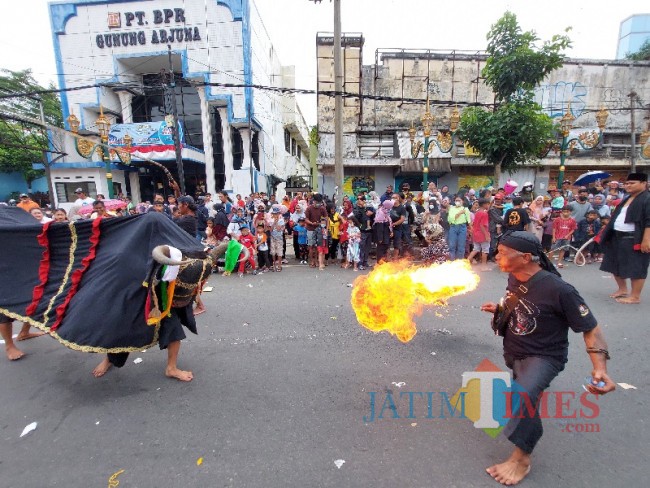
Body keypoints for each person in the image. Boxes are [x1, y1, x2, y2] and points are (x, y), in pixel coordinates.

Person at [480, 231, 615, 486]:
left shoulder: (560, 289)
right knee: (526, 388)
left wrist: (600, 369)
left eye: (502, 253)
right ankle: (532, 388)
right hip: (515, 351)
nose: (495, 257)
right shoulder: (515, 276)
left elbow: (591, 328)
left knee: (523, 394)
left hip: (544, 355)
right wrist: (499, 310)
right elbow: (522, 305)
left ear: (526, 257)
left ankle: (522, 458)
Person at [599, 172, 650, 304]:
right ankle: (622, 289)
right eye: (627, 183)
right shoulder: (627, 198)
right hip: (617, 235)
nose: (628, 185)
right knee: (613, 263)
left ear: (644, 183)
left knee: (636, 266)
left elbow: (649, 221)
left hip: (634, 237)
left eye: (632, 183)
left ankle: (635, 296)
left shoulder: (647, 198)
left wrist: (646, 239)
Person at [304, 194, 328, 268]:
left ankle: (318, 261)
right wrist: (311, 223)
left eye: (320, 202)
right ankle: (312, 261)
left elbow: (326, 218)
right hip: (310, 229)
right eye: (317, 202)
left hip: (320, 229)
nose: (318, 204)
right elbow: (306, 219)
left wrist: (325, 227)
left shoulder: (322, 208)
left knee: (319, 246)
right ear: (313, 201)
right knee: (311, 246)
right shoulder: (309, 208)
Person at [467, 198, 491, 269]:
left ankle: (467, 261)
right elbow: (482, 225)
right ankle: (484, 266)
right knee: (485, 250)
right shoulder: (484, 214)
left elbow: (474, 223)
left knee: (476, 249)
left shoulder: (477, 212)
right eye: (488, 204)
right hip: (482, 234)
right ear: (484, 205)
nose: (488, 205)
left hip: (476, 233)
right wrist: (487, 235)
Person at [447, 195, 472, 260]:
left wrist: (471, 230)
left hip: (462, 227)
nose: (457, 202)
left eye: (459, 200)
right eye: (456, 200)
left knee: (461, 246)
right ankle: (452, 261)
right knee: (452, 245)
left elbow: (468, 220)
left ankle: (459, 261)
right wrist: (460, 213)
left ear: (462, 201)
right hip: (453, 227)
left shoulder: (465, 209)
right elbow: (450, 219)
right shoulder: (452, 208)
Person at [353, 195, 375, 270]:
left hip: (369, 230)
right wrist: (360, 209)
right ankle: (360, 263)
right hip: (361, 231)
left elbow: (374, 214)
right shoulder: (356, 208)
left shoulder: (368, 207)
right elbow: (355, 217)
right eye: (358, 199)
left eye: (361, 199)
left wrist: (372, 213)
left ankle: (365, 262)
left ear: (364, 200)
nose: (359, 200)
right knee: (361, 248)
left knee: (367, 247)